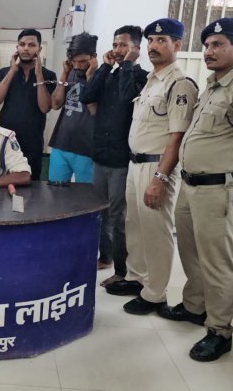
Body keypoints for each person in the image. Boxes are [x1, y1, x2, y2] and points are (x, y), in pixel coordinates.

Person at [161, 18, 233, 362]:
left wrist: (232, 162)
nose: (209, 51)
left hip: (217, 189)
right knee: (191, 253)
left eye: (218, 45)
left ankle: (219, 331)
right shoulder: (213, 86)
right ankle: (195, 306)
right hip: (191, 185)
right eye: (207, 45)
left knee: (216, 262)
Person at [116, 18, 199, 313]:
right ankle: (136, 278)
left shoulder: (180, 84)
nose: (153, 46)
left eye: (161, 40)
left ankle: (155, 293)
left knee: (155, 230)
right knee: (135, 226)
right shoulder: (153, 80)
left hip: (156, 167)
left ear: (177, 45)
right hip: (136, 163)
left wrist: (160, 179)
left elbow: (177, 137)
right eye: (150, 40)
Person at [79, 25, 148, 281]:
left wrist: (128, 64)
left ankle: (122, 271)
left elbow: (127, 95)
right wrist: (104, 68)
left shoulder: (142, 77)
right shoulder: (109, 74)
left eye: (123, 46)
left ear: (136, 49)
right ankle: (105, 257)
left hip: (121, 160)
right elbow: (87, 96)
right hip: (100, 156)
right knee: (100, 212)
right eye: (115, 45)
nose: (117, 50)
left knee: (119, 216)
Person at [0, 29, 56, 181]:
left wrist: (39, 75)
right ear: (17, 47)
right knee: (3, 182)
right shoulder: (4, 72)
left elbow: (45, 107)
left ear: (39, 49)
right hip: (6, 140)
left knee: (31, 185)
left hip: (33, 143)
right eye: (22, 44)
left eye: (31, 45)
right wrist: (12, 71)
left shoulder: (48, 75)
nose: (26, 48)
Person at [48, 32, 98, 184]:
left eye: (82, 61)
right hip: (60, 143)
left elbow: (95, 111)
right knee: (54, 191)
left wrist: (90, 77)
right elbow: (55, 104)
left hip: (86, 148)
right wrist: (64, 73)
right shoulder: (70, 72)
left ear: (94, 57)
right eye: (73, 61)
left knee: (84, 195)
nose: (77, 66)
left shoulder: (101, 76)